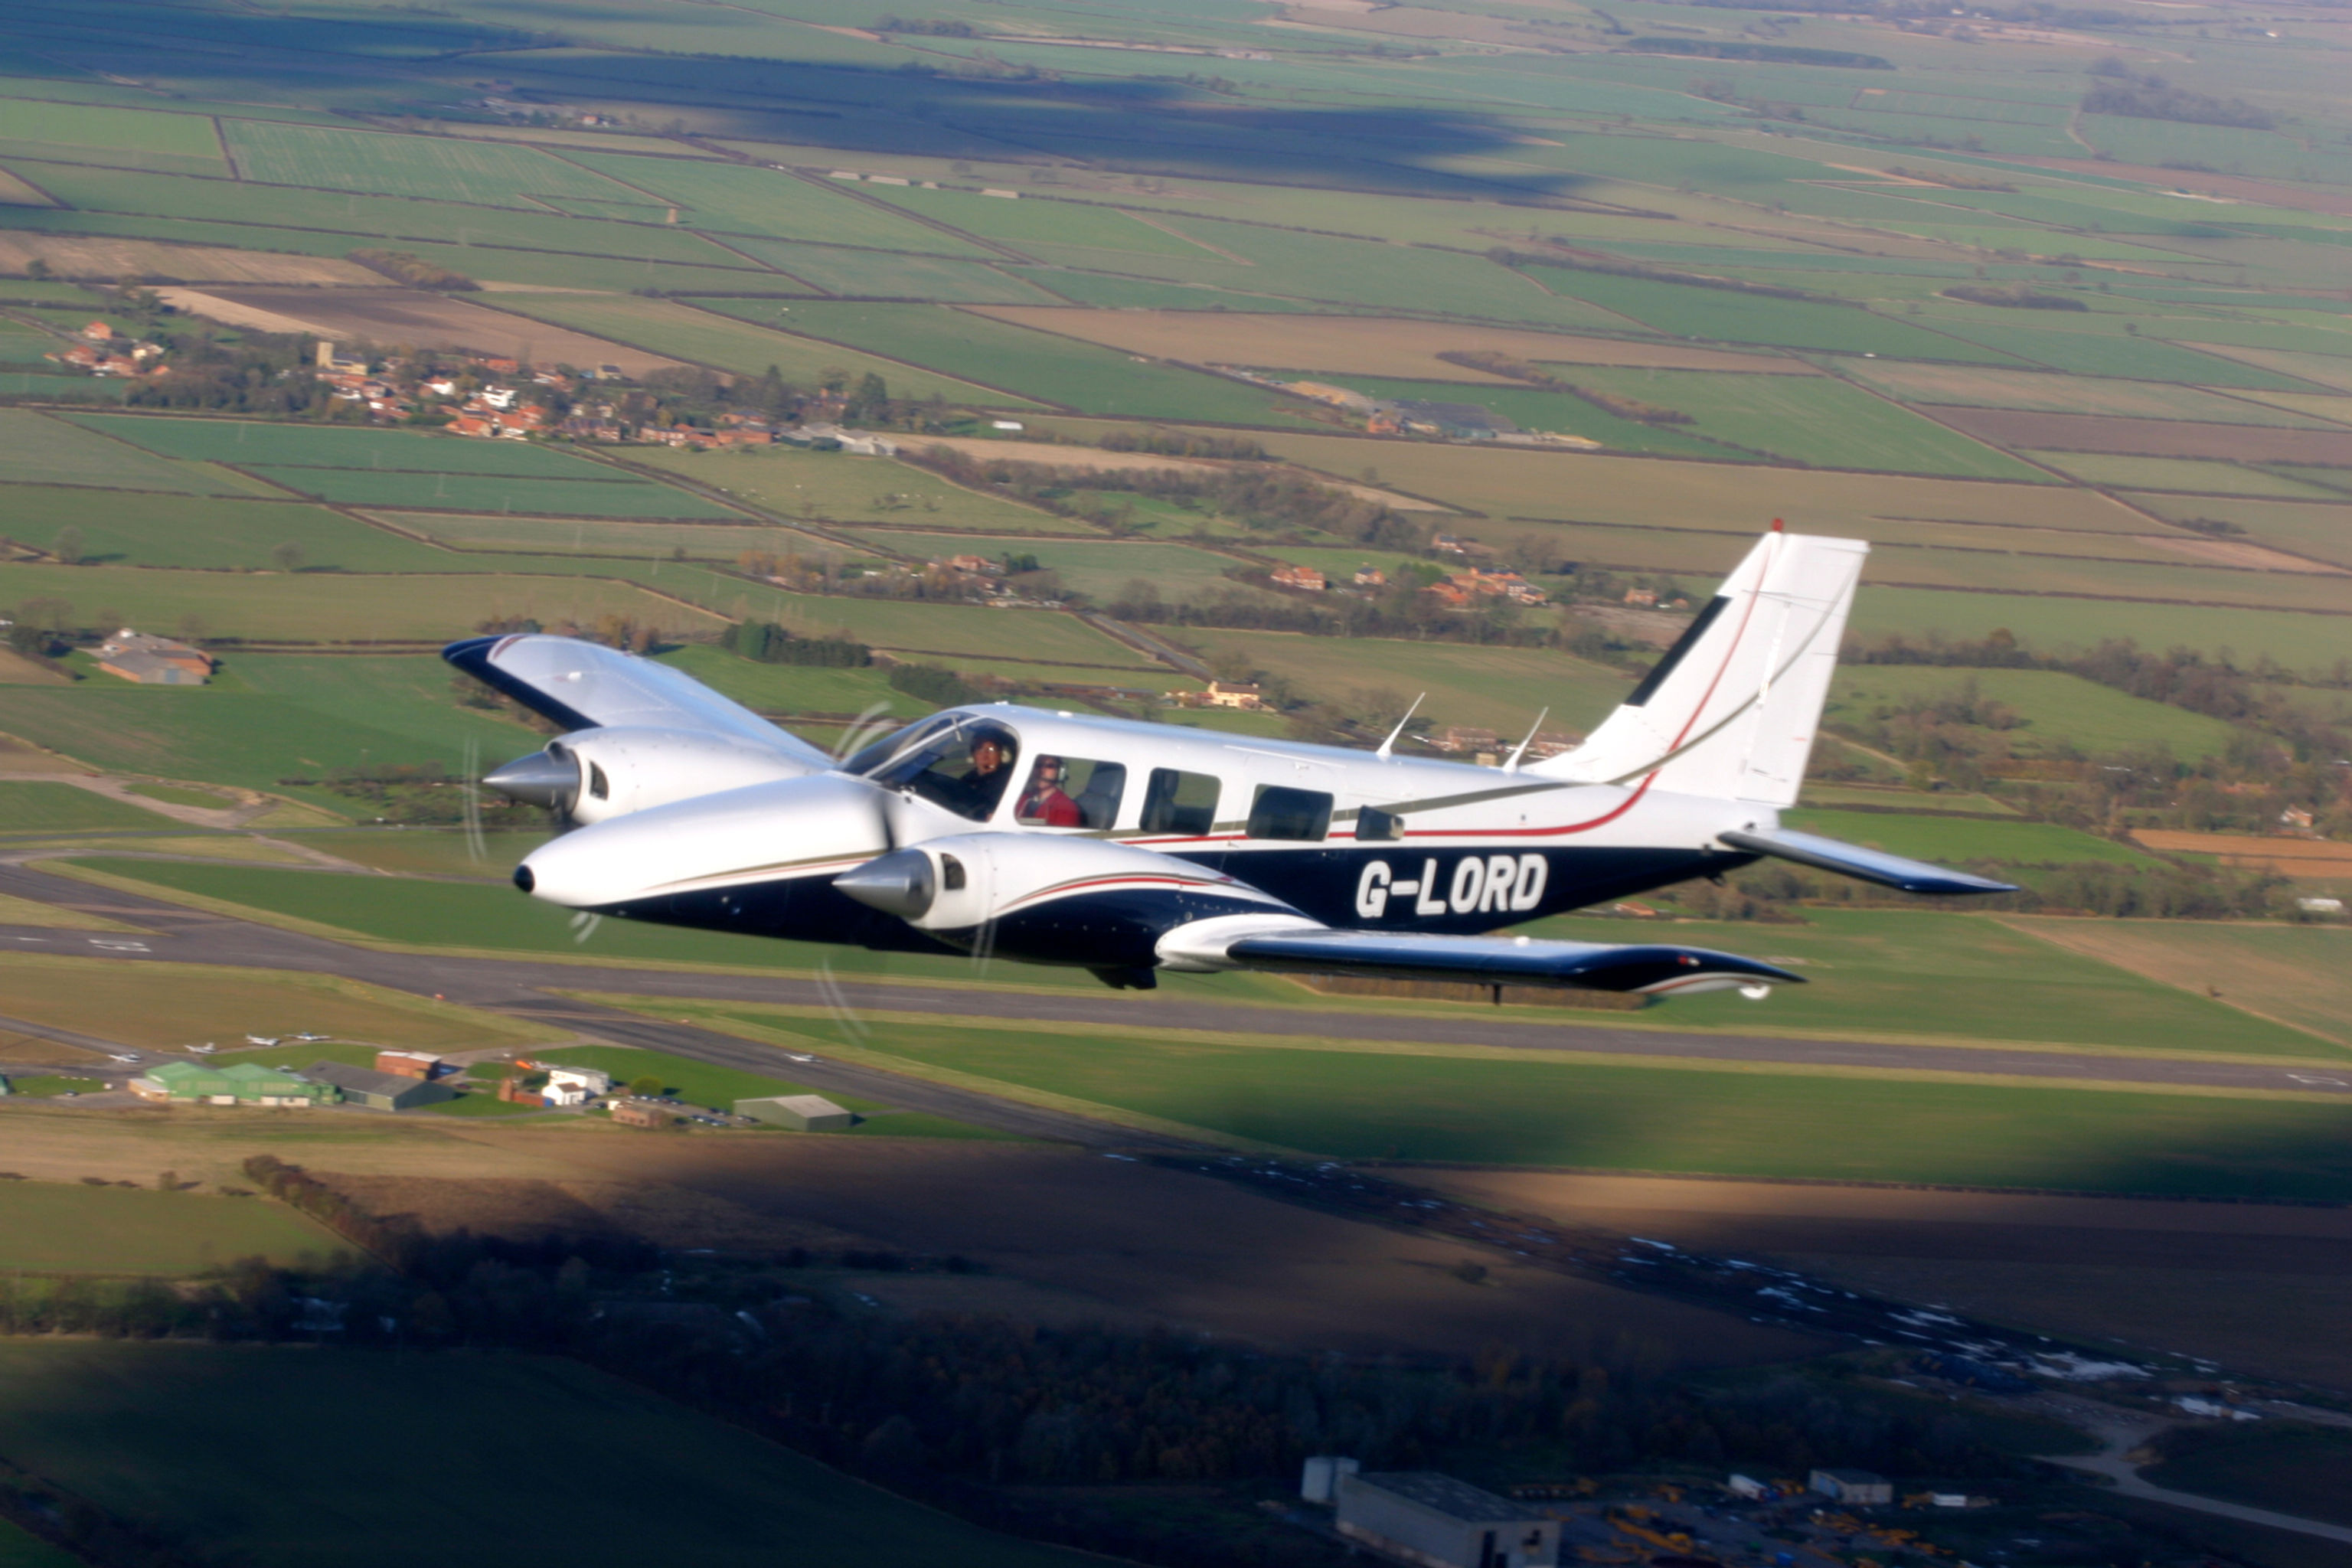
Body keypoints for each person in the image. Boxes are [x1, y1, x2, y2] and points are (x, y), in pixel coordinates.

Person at [1017, 756, 1083, 827]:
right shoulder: (1021, 800)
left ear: (1060, 772)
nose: (1042, 771)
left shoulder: (1067, 808)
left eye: (1049, 766)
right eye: (1038, 765)